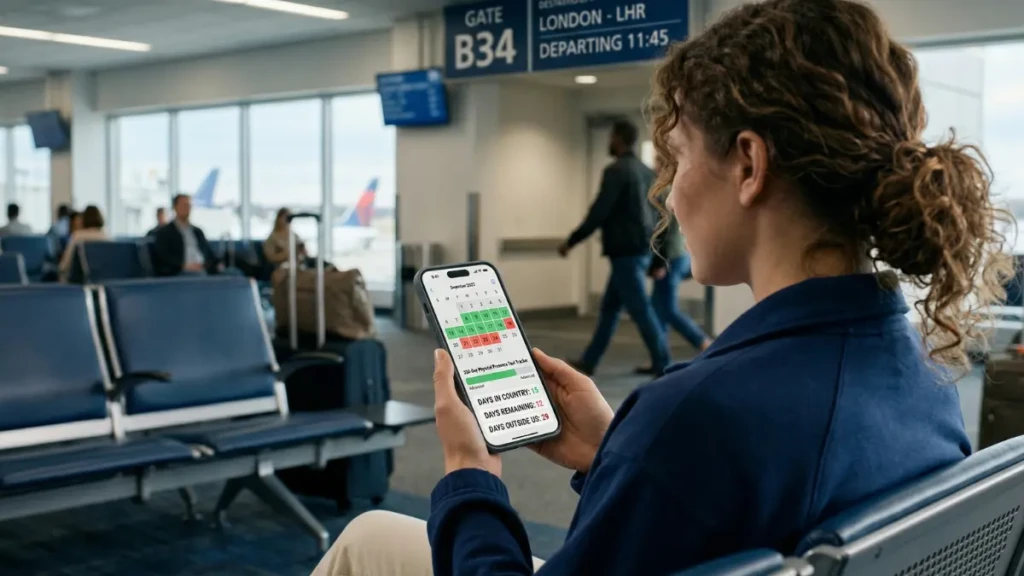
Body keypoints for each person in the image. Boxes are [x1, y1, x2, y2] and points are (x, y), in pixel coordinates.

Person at [311, 0, 1011, 574]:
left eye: (676, 159)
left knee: (364, 542)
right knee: (376, 534)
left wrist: (470, 474)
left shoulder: (697, 414)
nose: (669, 197)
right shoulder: (927, 381)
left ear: (748, 164)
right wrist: (614, 450)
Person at [557, 119, 670, 376]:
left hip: (625, 253)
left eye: (611, 137)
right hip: (640, 250)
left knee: (640, 309)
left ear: (619, 138)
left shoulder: (616, 171)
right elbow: (659, 216)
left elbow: (600, 211)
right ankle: (589, 361)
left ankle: (663, 362)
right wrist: (657, 258)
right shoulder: (646, 172)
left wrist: (572, 240)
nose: (609, 141)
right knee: (609, 309)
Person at [634, 177, 712, 374]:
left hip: (671, 257)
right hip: (679, 255)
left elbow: (663, 229)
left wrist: (659, 262)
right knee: (657, 306)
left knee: (667, 308)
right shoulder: (679, 187)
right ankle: (659, 358)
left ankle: (703, 343)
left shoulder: (666, 190)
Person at [152, 194, 221, 276]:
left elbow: (209, 253)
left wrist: (214, 264)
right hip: (179, 271)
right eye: (184, 205)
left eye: (189, 205)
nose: (187, 208)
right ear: (175, 207)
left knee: (233, 272)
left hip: (203, 268)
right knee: (198, 275)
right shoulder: (164, 232)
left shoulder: (197, 232)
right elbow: (163, 258)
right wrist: (183, 266)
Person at [59, 205, 109, 281]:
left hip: (80, 281)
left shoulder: (77, 236)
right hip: (104, 281)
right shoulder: (106, 237)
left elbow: (65, 265)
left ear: (83, 219)